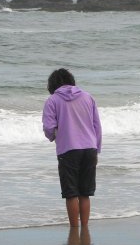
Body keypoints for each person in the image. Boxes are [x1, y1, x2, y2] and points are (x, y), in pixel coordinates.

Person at [42, 68, 102, 228]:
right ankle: (85, 228)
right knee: (85, 193)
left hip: (68, 150)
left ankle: (74, 230)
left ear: (52, 85)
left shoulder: (52, 100)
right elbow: (97, 126)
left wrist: (54, 137)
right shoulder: (88, 97)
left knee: (71, 194)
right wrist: (97, 149)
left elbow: (49, 127)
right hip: (90, 148)